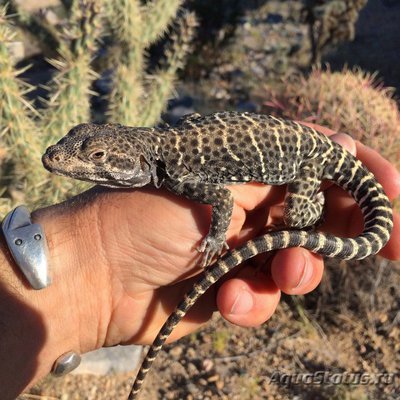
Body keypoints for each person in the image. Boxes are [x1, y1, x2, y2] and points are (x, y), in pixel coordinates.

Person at [0, 124, 399, 399]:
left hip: (313, 160)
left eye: (99, 156)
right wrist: (100, 262)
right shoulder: (166, 150)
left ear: (131, 158)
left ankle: (304, 222)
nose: (65, 160)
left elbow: (223, 199)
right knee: (292, 243)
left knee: (297, 222)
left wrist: (214, 238)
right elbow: (222, 194)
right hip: (303, 149)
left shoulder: (172, 167)